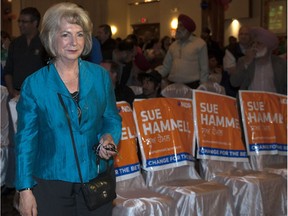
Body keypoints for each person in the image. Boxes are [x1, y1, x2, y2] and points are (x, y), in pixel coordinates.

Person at [15, 3, 122, 216]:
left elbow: (111, 117)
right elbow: (25, 141)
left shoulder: (100, 76)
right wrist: (25, 190)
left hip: (95, 178)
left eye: (80, 34)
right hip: (51, 183)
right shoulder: (34, 85)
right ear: (51, 38)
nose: (74, 42)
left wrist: (109, 137)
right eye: (66, 34)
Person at [4, 7, 48, 98]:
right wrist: (11, 90)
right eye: (19, 21)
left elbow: (50, 71)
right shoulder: (15, 44)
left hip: (39, 95)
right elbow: (8, 70)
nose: (20, 24)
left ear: (35, 23)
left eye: (24, 22)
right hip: (16, 94)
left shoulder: (45, 43)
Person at [157, 14, 209, 89]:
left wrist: (202, 87)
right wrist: (154, 75)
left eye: (181, 26)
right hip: (173, 85)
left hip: (192, 86)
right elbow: (166, 67)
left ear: (187, 29)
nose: (178, 29)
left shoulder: (200, 44)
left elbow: (204, 69)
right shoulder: (173, 45)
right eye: (178, 26)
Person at [230, 27, 287, 95]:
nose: (255, 46)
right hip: (250, 103)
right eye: (253, 43)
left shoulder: (280, 63)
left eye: (259, 43)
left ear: (268, 47)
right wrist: (247, 62)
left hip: (273, 103)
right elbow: (234, 83)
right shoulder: (243, 60)